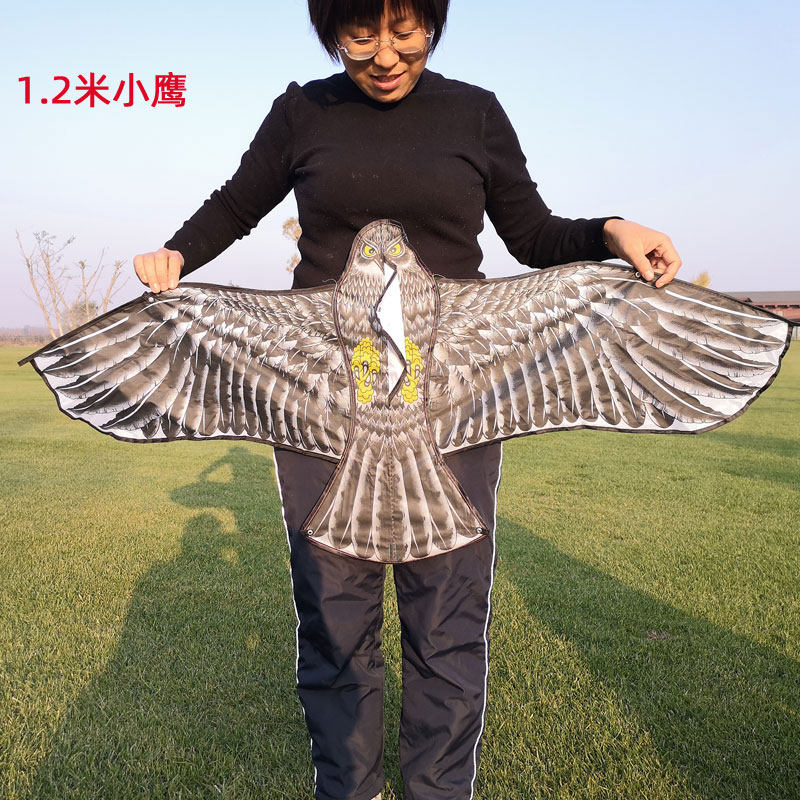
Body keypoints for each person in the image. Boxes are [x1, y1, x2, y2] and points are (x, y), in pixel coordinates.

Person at [133, 2, 682, 798]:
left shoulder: (473, 113)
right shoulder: (302, 112)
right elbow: (237, 203)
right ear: (331, 32)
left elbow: (531, 233)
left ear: (433, 23)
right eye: (361, 35)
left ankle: (439, 788)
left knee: (446, 613)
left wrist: (612, 230)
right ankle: (346, 787)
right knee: (335, 612)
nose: (386, 55)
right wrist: (177, 251)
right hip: (321, 394)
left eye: (406, 31)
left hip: (454, 397)